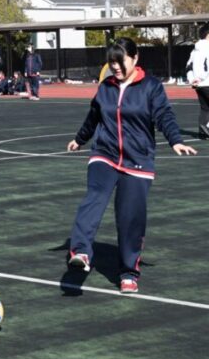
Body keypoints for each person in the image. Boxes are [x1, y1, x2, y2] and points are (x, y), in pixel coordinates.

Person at [66, 37, 196, 294]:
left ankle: (128, 273)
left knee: (130, 219)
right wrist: (80, 139)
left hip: (138, 160)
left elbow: (164, 116)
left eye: (120, 60)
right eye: (111, 61)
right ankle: (80, 251)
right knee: (95, 196)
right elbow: (94, 116)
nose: (115, 66)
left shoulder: (151, 87)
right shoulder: (106, 87)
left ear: (135, 59)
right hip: (105, 153)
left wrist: (175, 141)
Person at [185, 22, 209, 141]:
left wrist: (193, 80)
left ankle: (203, 132)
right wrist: (201, 77)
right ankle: (206, 127)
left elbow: (188, 66)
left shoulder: (195, 49)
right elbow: (207, 66)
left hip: (198, 85)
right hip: (207, 82)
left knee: (205, 108)